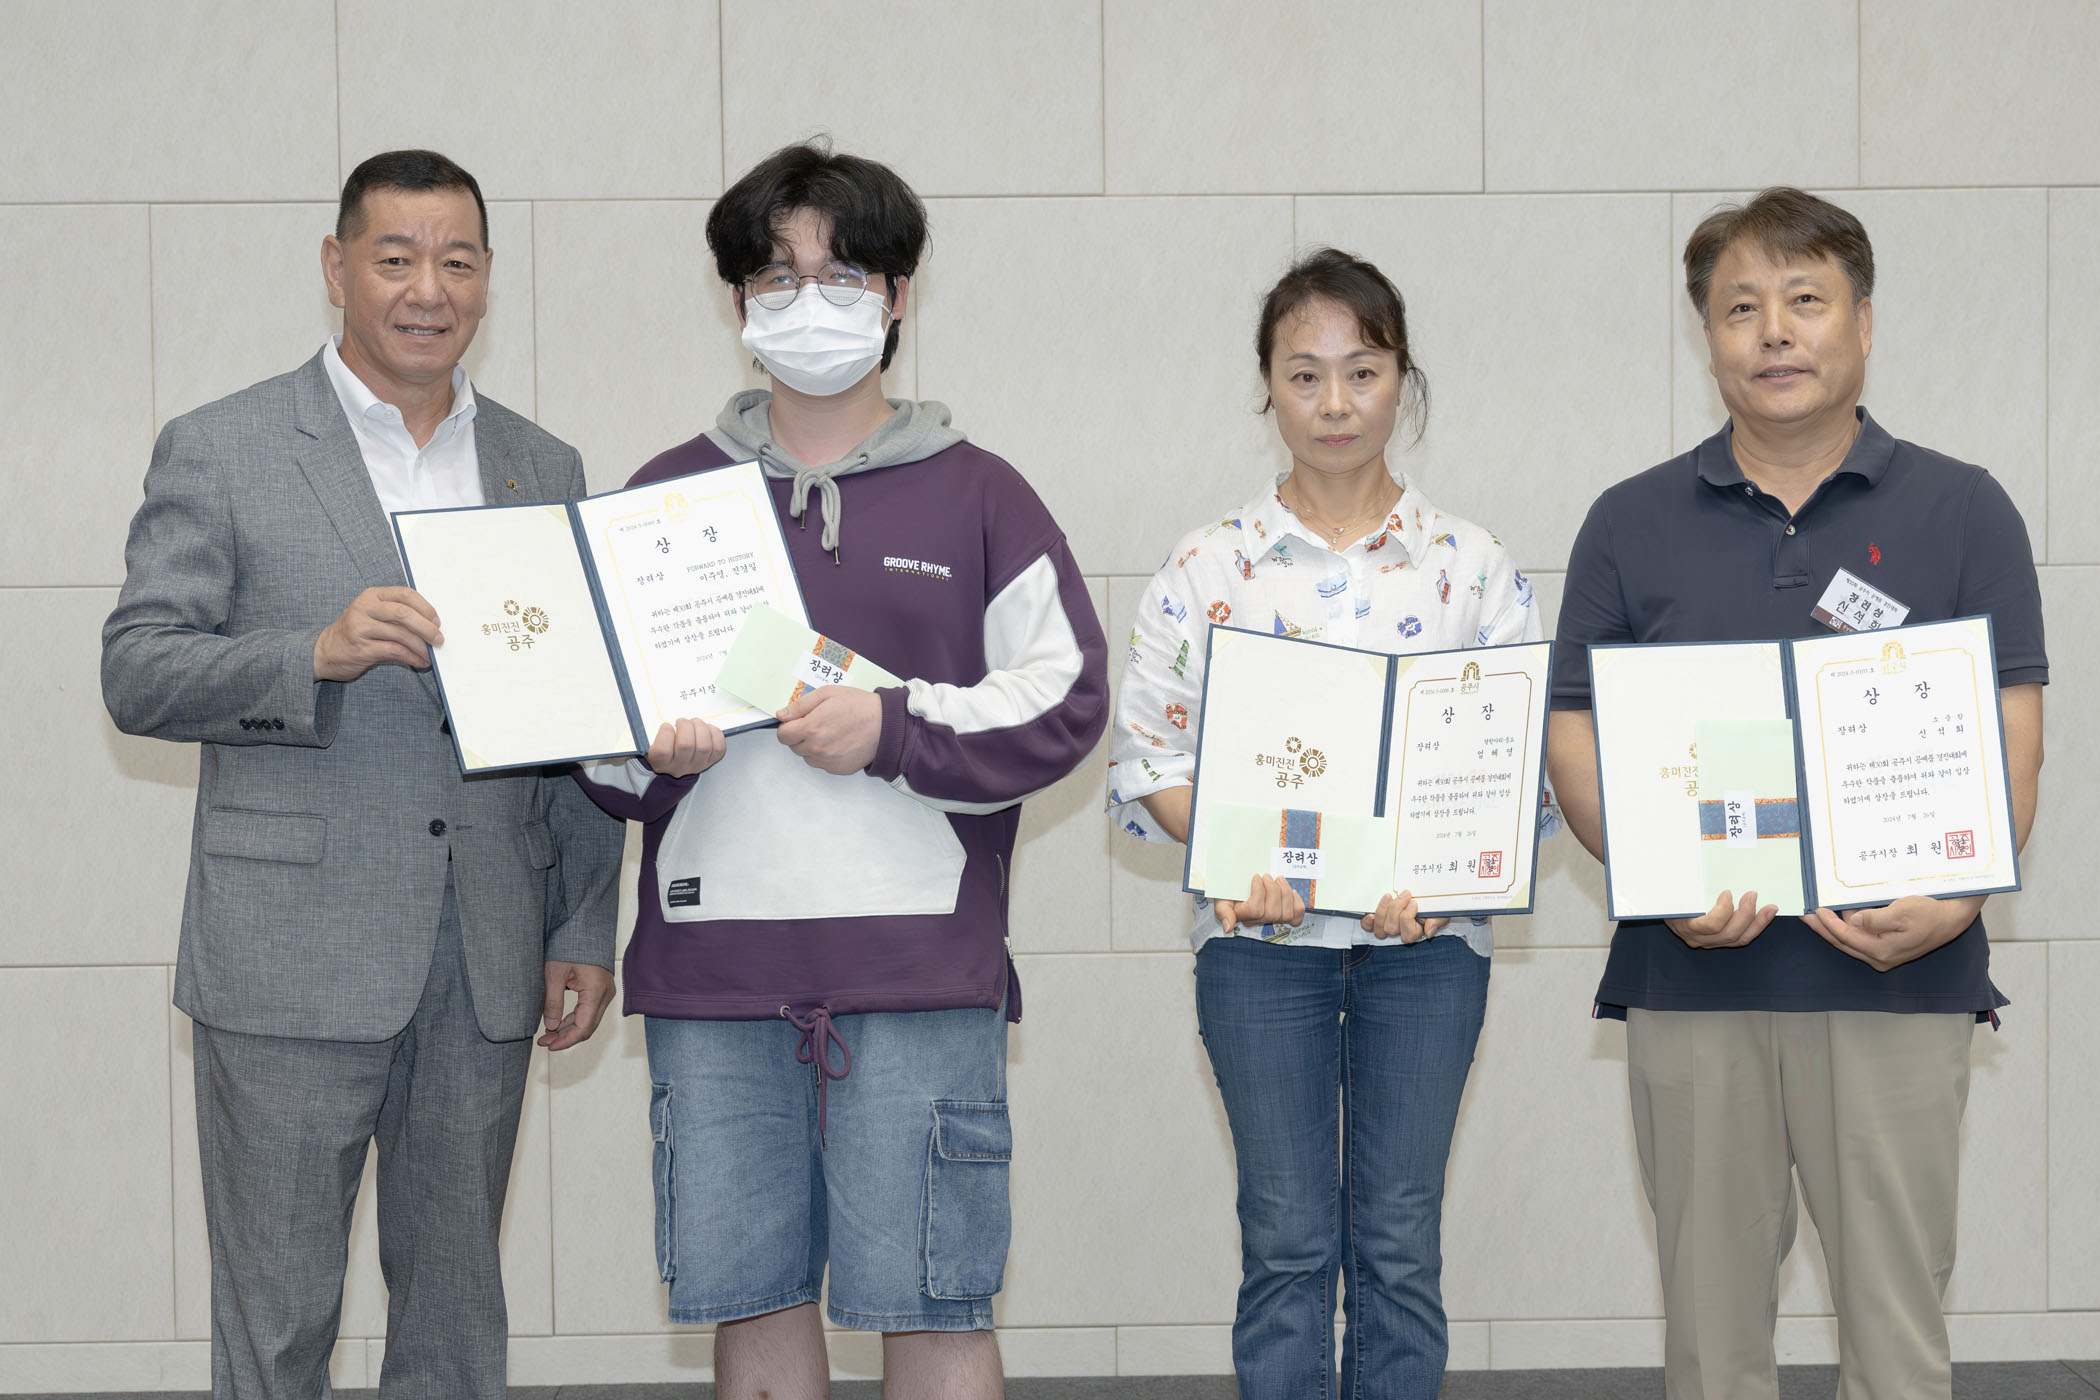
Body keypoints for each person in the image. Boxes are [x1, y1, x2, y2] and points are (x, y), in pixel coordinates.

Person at [571, 140, 1109, 1400]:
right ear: (738, 301)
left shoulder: (982, 496)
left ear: (899, 294)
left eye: (843, 274)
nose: (808, 302)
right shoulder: (667, 497)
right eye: (777, 276)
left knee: (933, 1305)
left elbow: (1067, 697)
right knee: (750, 1302)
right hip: (716, 975)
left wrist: (897, 729)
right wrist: (647, 750)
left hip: (917, 968)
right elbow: (592, 735)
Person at [100, 149, 625, 1400]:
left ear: (487, 279)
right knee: (277, 1320)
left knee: (456, 1320)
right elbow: (138, 668)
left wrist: (581, 923)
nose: (427, 289)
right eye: (396, 258)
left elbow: (580, 711)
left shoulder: (542, 465)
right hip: (288, 953)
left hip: (487, 947)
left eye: (456, 261)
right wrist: (311, 653)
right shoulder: (223, 446)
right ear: (337, 268)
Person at [1544, 188, 2046, 1400]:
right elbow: (1574, 730)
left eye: (1805, 299)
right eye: (1741, 308)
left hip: (1898, 975)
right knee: (1711, 1343)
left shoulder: (1964, 507)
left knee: (1896, 1335)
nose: (1774, 330)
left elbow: (2011, 732)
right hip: (1693, 975)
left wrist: (1960, 895)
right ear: (1707, 336)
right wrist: (1656, 877)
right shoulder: (1628, 519)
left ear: (1862, 322)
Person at [1108, 248, 1550, 1400]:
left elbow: (1516, 769)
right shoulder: (1209, 564)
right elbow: (1149, 756)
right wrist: (1235, 858)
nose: (1336, 401)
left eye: (1363, 370)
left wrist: (1446, 880)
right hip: (1259, 944)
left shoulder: (1471, 565)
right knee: (1287, 1238)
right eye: (1305, 374)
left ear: (1403, 378)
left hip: (1429, 947)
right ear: (1268, 387)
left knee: (1399, 1239)